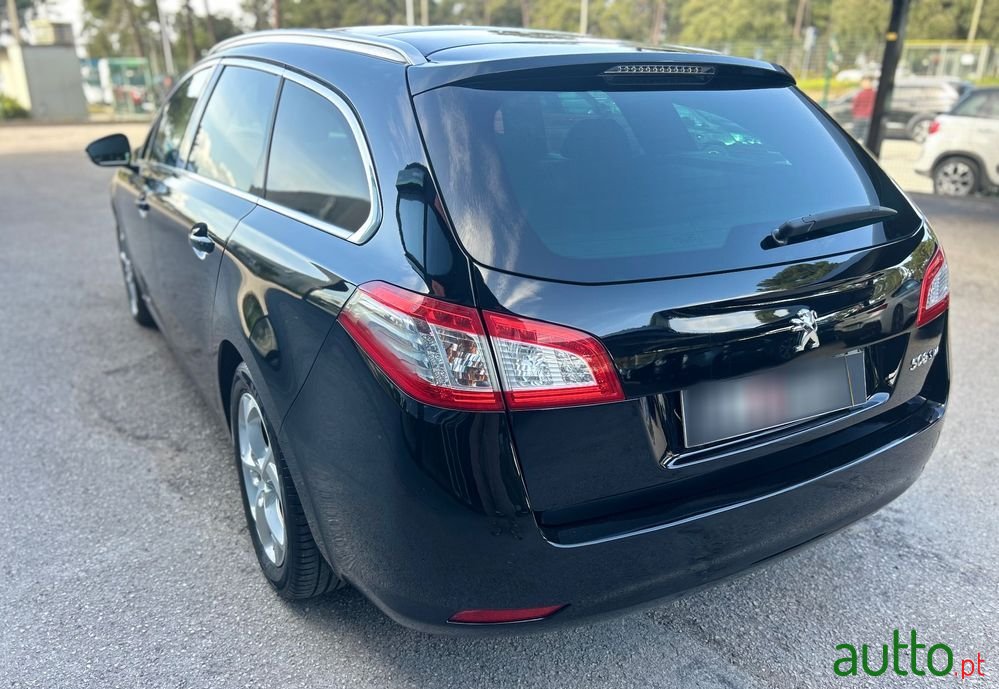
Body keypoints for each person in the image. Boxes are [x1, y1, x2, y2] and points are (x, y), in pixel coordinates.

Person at [852, 77, 876, 142]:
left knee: (855, 137)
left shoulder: (859, 94)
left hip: (859, 117)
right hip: (868, 117)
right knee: (866, 137)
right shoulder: (875, 94)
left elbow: (855, 106)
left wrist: (855, 114)